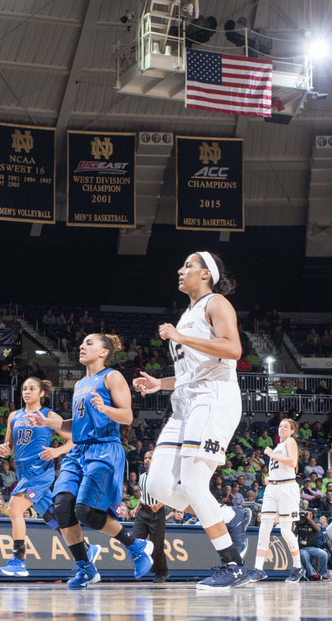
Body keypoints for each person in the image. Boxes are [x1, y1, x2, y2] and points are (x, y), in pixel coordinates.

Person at [133, 252, 252, 589]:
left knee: (194, 482)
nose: (180, 269)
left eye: (188, 265)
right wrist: (160, 383)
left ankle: (233, 566)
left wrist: (182, 338)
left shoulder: (216, 303)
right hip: (185, 400)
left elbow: (233, 350)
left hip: (213, 397)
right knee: (155, 487)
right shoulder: (186, 315)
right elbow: (191, 370)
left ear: (205, 274)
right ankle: (231, 515)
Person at [32, 333, 153, 589]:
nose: (82, 346)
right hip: (78, 452)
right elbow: (73, 425)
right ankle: (86, 568)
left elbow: (127, 417)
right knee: (62, 508)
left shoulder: (112, 377)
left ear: (103, 352)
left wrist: (105, 409)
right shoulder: (80, 385)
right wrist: (48, 422)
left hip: (103, 449)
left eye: (89, 343)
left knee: (85, 512)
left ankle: (137, 547)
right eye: (82, 343)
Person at [0, 377, 86, 577]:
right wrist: (2, 449)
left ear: (42, 393)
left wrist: (57, 451)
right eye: (24, 389)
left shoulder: (48, 415)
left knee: (14, 508)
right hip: (22, 470)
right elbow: (9, 448)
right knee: (53, 517)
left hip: (39, 469)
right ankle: (86, 549)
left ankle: (18, 561)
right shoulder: (13, 416)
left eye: (32, 388)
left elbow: (75, 439)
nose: (27, 392)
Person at [243, 419, 304, 584]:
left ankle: (298, 567)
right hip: (273, 488)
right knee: (264, 527)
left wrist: (271, 455)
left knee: (285, 531)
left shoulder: (290, 442)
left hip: (287, 488)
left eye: (285, 426)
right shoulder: (278, 446)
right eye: (280, 426)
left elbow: (292, 462)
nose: (282, 428)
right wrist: (270, 478)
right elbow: (281, 467)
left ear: (292, 431)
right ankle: (258, 569)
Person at [131, 450, 170, 583]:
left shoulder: (162, 476)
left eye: (150, 458)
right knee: (135, 540)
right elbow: (143, 496)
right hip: (143, 511)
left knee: (157, 546)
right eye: (145, 458)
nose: (147, 460)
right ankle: (146, 565)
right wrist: (136, 508)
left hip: (157, 512)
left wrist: (159, 505)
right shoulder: (142, 476)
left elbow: (170, 494)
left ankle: (162, 572)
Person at [296, 510, 329, 581]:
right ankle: (312, 574)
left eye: (310, 514)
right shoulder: (300, 524)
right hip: (302, 548)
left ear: (313, 516)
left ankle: (323, 574)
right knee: (303, 555)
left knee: (324, 554)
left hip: (313, 548)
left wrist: (309, 519)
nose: (308, 516)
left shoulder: (314, 524)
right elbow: (293, 534)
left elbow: (318, 529)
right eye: (307, 514)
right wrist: (294, 522)